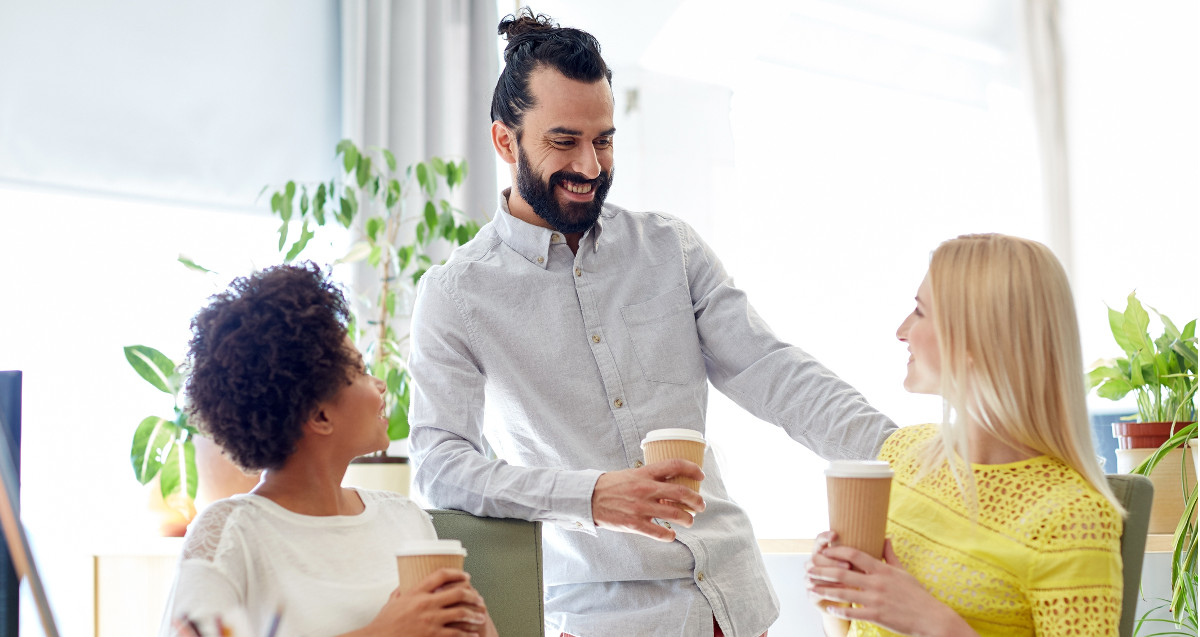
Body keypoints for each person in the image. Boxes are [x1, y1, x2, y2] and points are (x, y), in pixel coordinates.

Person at [406, 9, 896, 637]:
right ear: (506, 141)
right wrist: (590, 496)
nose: (590, 166)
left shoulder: (669, 248)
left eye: (603, 140)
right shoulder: (457, 294)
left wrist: (904, 456)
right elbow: (440, 465)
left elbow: (772, 371)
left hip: (734, 602)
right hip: (603, 615)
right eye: (564, 141)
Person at [805, 234, 1125, 636]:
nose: (901, 331)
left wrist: (934, 623)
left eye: (919, 313)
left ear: (973, 340)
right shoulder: (904, 454)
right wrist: (837, 599)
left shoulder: (1071, 517)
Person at [159, 263, 497, 637]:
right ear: (320, 415)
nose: (381, 385)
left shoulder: (403, 518)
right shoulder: (230, 535)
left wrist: (475, 623)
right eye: (361, 371)